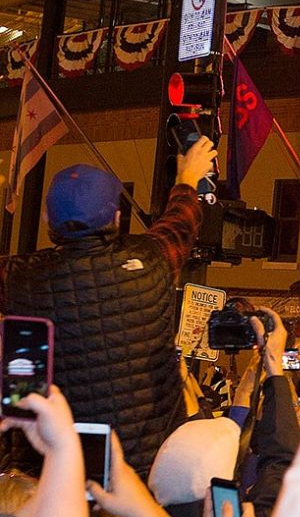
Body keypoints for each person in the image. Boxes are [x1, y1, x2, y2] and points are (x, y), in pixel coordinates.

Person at [0, 137, 216, 474]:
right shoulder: (153, 259)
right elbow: (180, 222)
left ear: (47, 219)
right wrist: (187, 179)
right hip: (142, 469)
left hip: (49, 470)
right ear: (116, 217)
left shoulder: (18, 278)